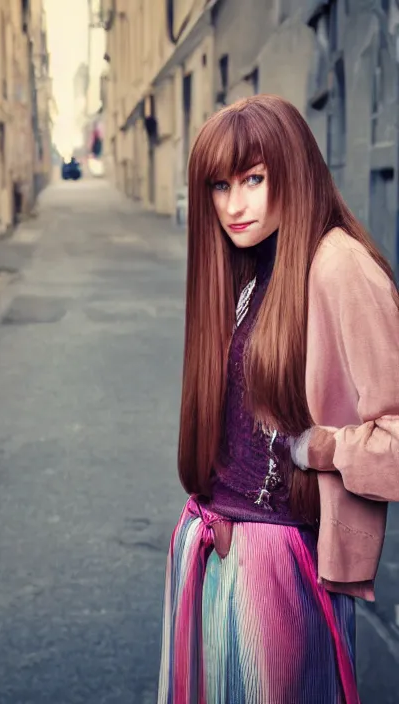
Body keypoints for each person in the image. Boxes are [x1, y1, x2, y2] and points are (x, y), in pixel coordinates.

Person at [157, 95, 399, 704]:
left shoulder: (340, 266)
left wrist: (325, 450)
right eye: (219, 186)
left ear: (293, 169)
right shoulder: (256, 258)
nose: (234, 206)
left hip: (285, 570)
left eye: (254, 179)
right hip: (214, 552)